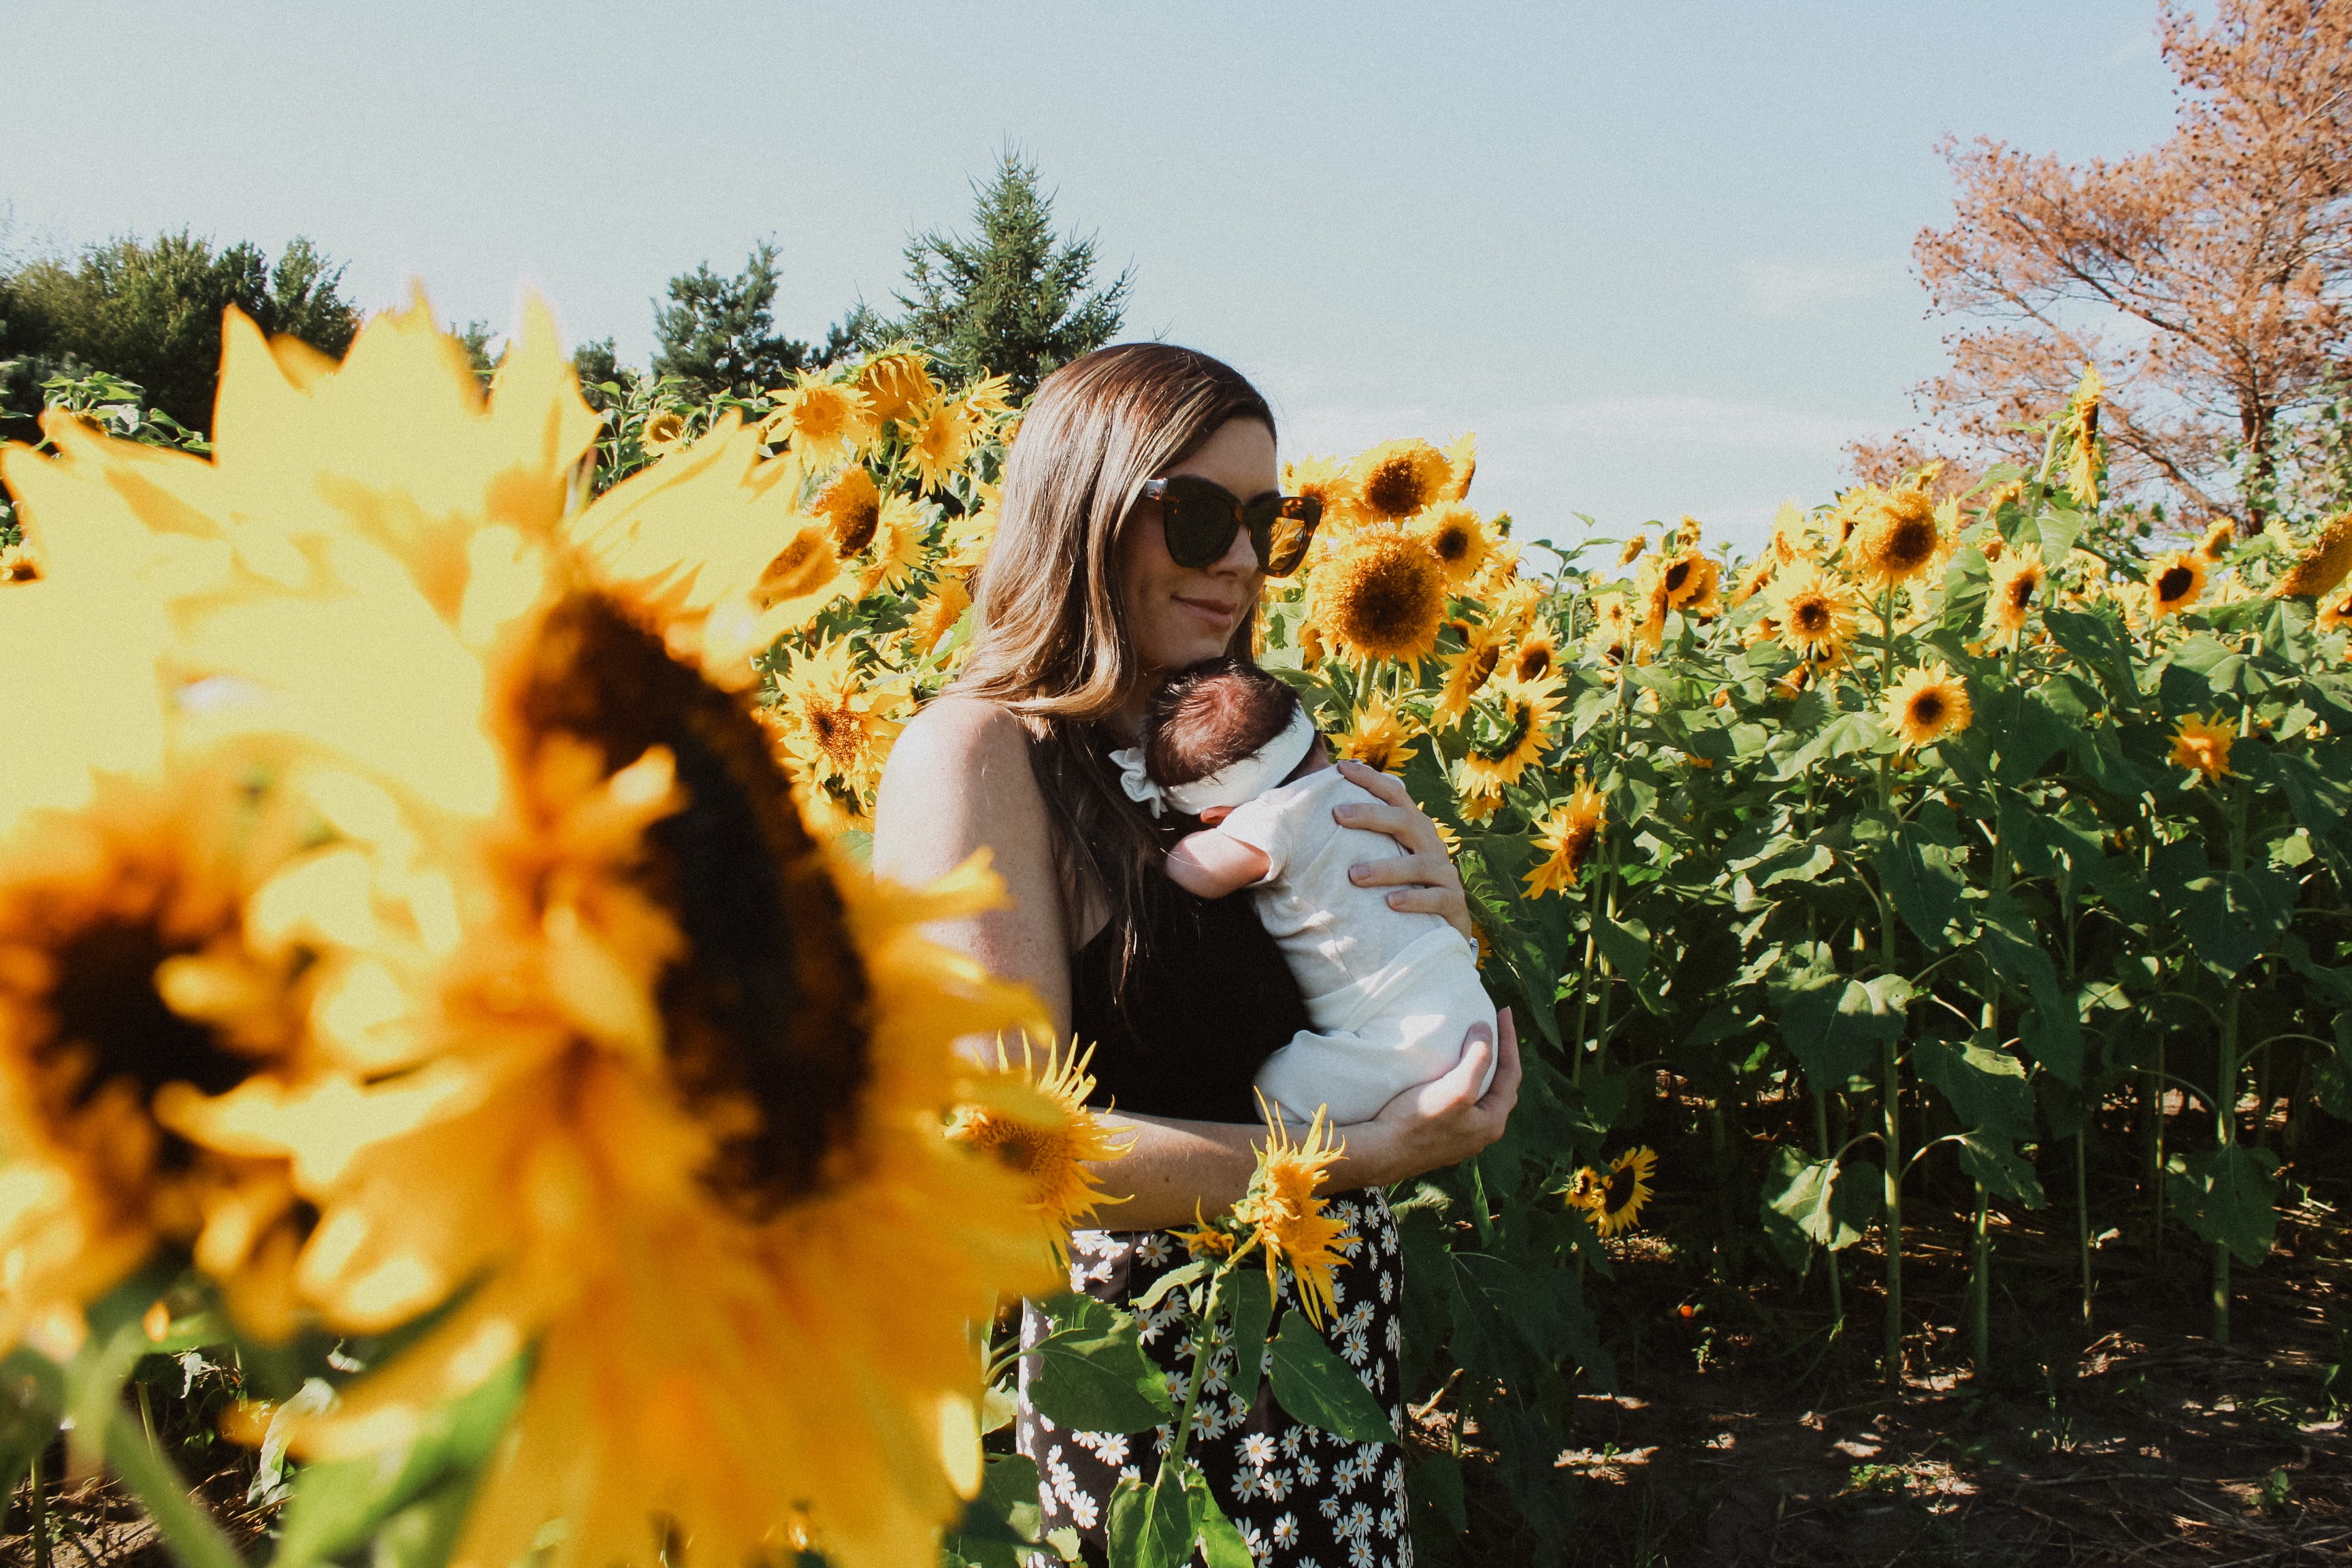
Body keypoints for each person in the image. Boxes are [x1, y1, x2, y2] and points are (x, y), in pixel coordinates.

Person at [872, 343, 1519, 1568]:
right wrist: (1355, 1156)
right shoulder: (983, 755)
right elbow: (993, 1148)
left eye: (1265, 521)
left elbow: (1338, 972)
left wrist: (1439, 928)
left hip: (1327, 1339)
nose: (1238, 556)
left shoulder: (1236, 741)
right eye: (1202, 513)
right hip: (1150, 1391)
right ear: (1089, 511)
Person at [1117, 654, 1497, 1127]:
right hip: (1462, 1010)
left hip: (1403, 1039)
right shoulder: (1367, 787)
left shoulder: (1272, 817)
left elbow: (1194, 871)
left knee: (1276, 1090)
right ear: (1317, 739)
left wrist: (1166, 842)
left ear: (1216, 814)